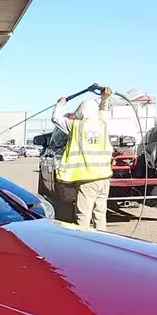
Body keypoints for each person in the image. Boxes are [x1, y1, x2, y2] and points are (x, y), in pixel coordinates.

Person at [51, 87, 113, 231]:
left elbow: (55, 119)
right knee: (100, 214)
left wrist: (60, 103)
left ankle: (85, 245)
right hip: (104, 178)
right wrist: (105, 99)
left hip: (88, 180)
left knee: (83, 216)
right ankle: (103, 243)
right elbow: (104, 111)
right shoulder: (103, 124)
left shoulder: (75, 126)